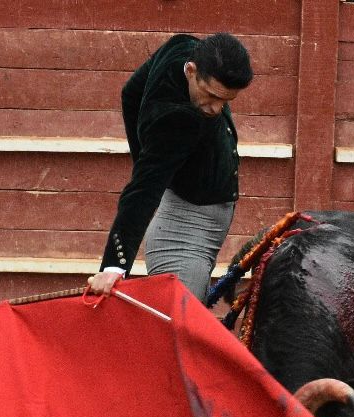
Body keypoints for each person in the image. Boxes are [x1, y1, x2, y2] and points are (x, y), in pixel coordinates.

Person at [87, 33, 253, 302]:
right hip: (184, 232)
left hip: (192, 217)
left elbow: (130, 92)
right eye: (210, 96)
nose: (215, 109)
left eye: (225, 101)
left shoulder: (182, 46)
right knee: (181, 330)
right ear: (191, 71)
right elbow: (141, 192)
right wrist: (113, 267)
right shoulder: (175, 120)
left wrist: (150, 160)